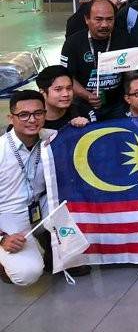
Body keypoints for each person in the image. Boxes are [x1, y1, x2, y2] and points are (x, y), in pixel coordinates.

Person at [60, 0, 138, 119]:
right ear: (87, 19)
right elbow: (66, 77)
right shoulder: (73, 42)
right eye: (98, 19)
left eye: (109, 19)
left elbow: (131, 74)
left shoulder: (125, 39)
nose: (104, 25)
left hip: (117, 104)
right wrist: (86, 95)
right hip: (83, 104)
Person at [0, 91, 48, 286]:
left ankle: (54, 251)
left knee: (77, 208)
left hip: (41, 208)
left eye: (38, 113)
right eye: (24, 115)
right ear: (11, 117)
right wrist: (1, 238)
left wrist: (79, 123)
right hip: (9, 216)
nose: (32, 120)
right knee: (28, 274)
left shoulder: (51, 139)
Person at [35, 66, 93, 130]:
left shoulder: (81, 111)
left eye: (69, 88)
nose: (66, 94)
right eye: (58, 89)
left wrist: (87, 125)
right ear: (42, 92)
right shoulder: (34, 123)